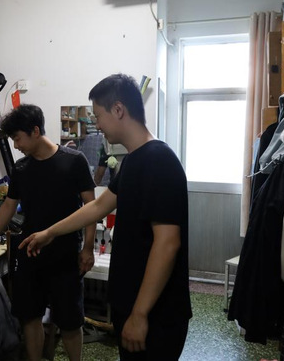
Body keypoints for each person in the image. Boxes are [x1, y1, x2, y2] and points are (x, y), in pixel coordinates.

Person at [20, 74, 192, 360]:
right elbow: (99, 207)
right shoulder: (134, 160)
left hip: (156, 314)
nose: (97, 125)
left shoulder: (159, 161)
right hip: (133, 304)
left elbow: (167, 243)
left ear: (118, 110)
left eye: (98, 115)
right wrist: (50, 233)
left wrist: (140, 314)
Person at [0, 104, 96, 361]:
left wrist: (88, 248)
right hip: (30, 253)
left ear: (35, 131)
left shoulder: (74, 161)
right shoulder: (21, 168)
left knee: (70, 321)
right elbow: (7, 207)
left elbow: (92, 207)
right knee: (29, 316)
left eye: (18, 138)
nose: (16, 146)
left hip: (65, 254)